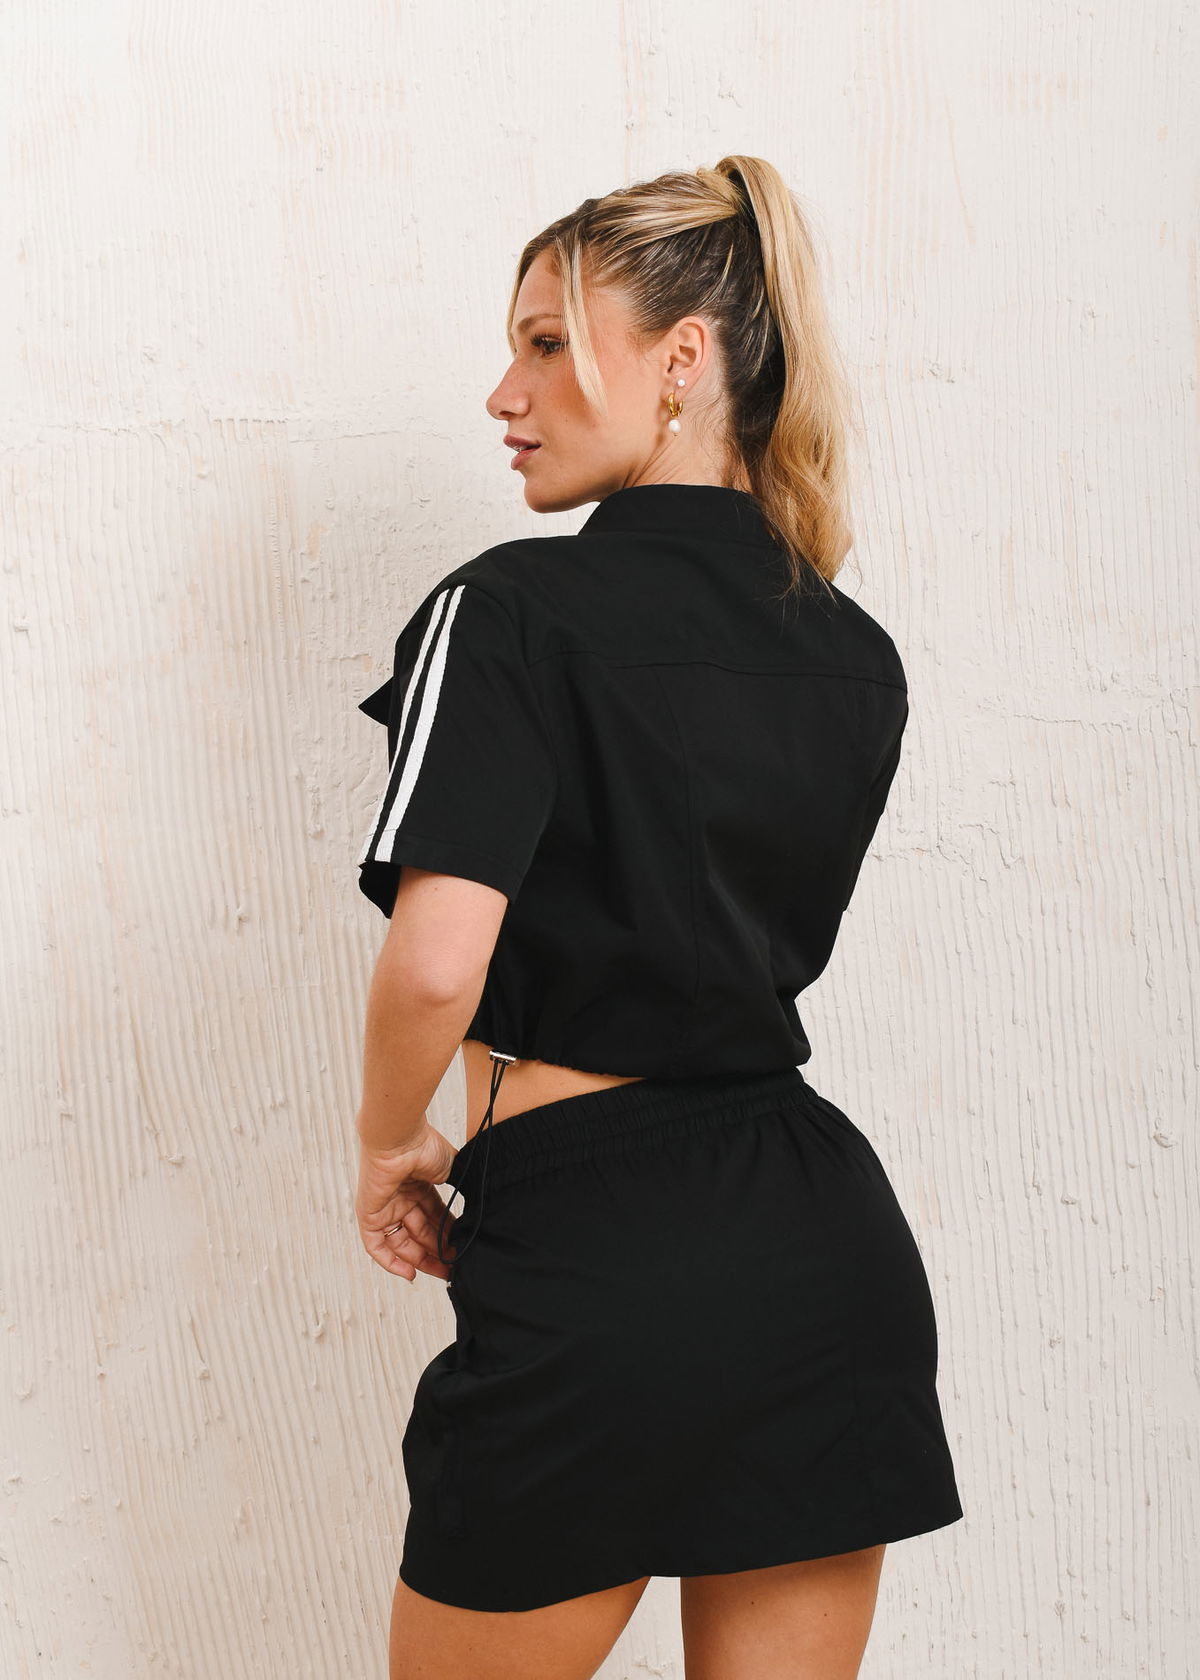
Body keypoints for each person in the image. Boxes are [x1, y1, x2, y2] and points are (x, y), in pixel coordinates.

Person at [351, 155, 963, 1680]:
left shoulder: (507, 613)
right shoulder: (853, 650)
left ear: (683, 359)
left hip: (599, 1257)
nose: (504, 394)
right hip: (822, 1256)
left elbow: (436, 964)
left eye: (546, 343)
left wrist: (388, 1142)